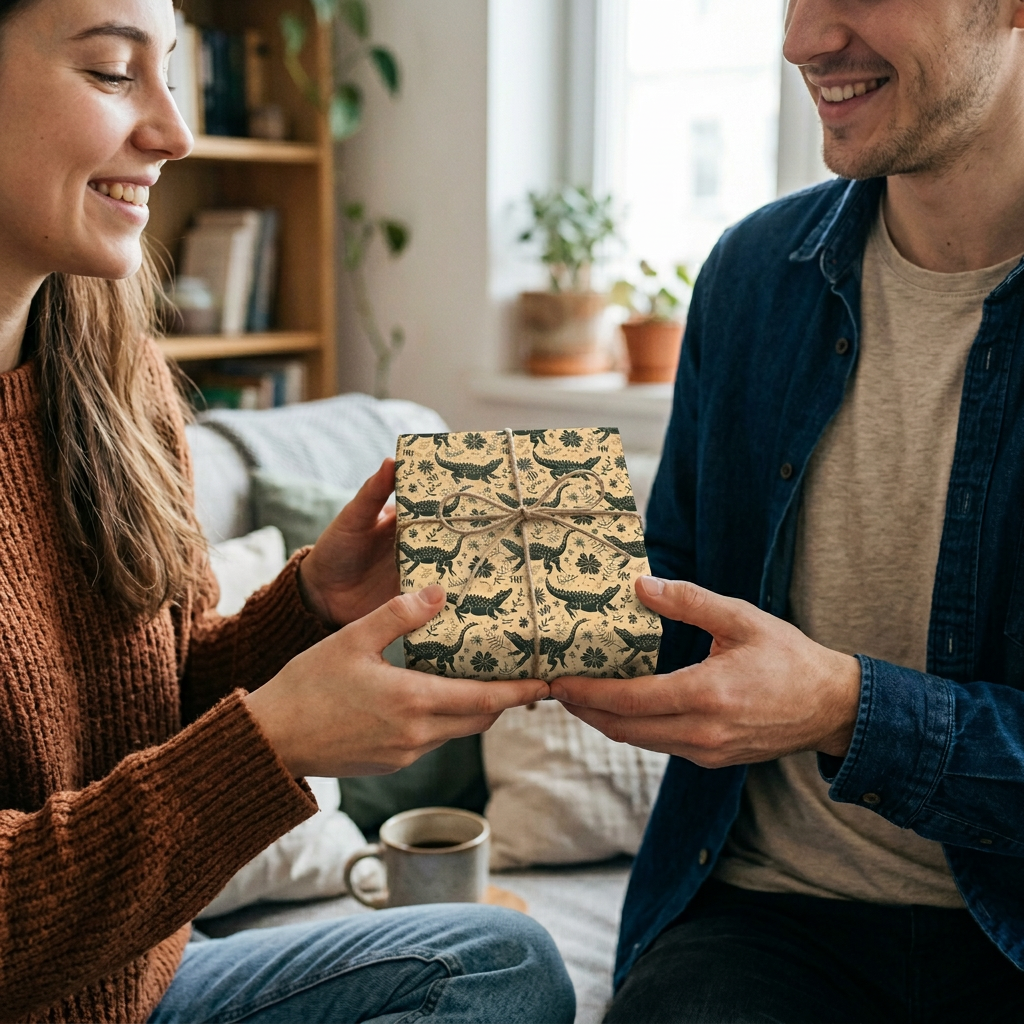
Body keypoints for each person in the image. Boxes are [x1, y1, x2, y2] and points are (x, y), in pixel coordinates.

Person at [0, 1, 576, 1021]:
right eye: (111, 72)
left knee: (501, 963)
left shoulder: (114, 380)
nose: (173, 131)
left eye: (170, 73)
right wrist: (270, 744)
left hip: (140, 989)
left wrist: (311, 605)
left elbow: (153, 704)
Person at [552, 0, 1024, 1021]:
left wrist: (845, 706)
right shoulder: (750, 276)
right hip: (762, 916)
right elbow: (681, 585)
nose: (803, 39)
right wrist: (538, 612)